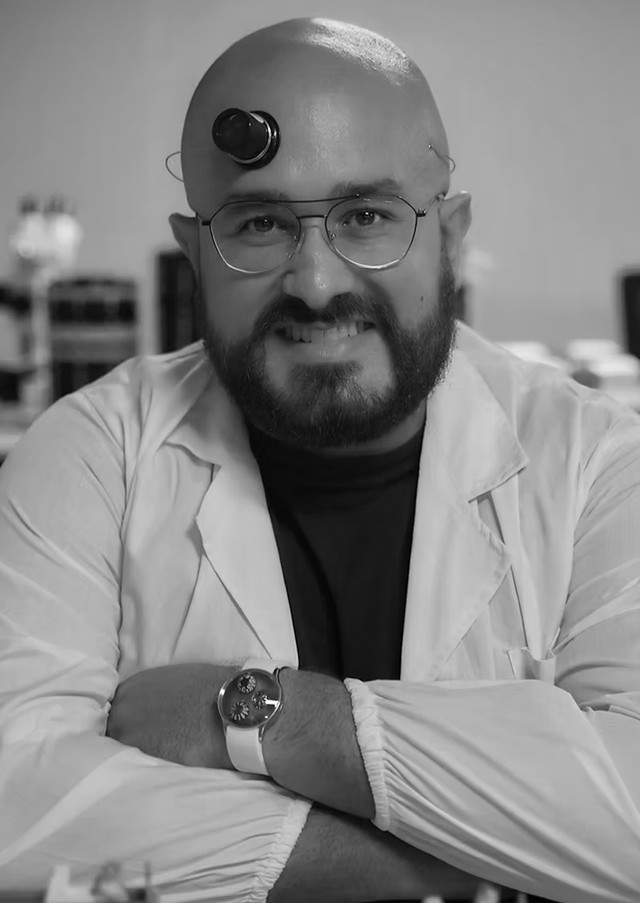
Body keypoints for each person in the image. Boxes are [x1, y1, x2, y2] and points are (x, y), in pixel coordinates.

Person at [0, 16, 639, 903]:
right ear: (193, 255)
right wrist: (468, 858)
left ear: (452, 237)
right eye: (260, 224)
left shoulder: (598, 461)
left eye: (367, 216)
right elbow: (16, 813)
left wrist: (264, 715)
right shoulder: (91, 452)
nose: (317, 282)